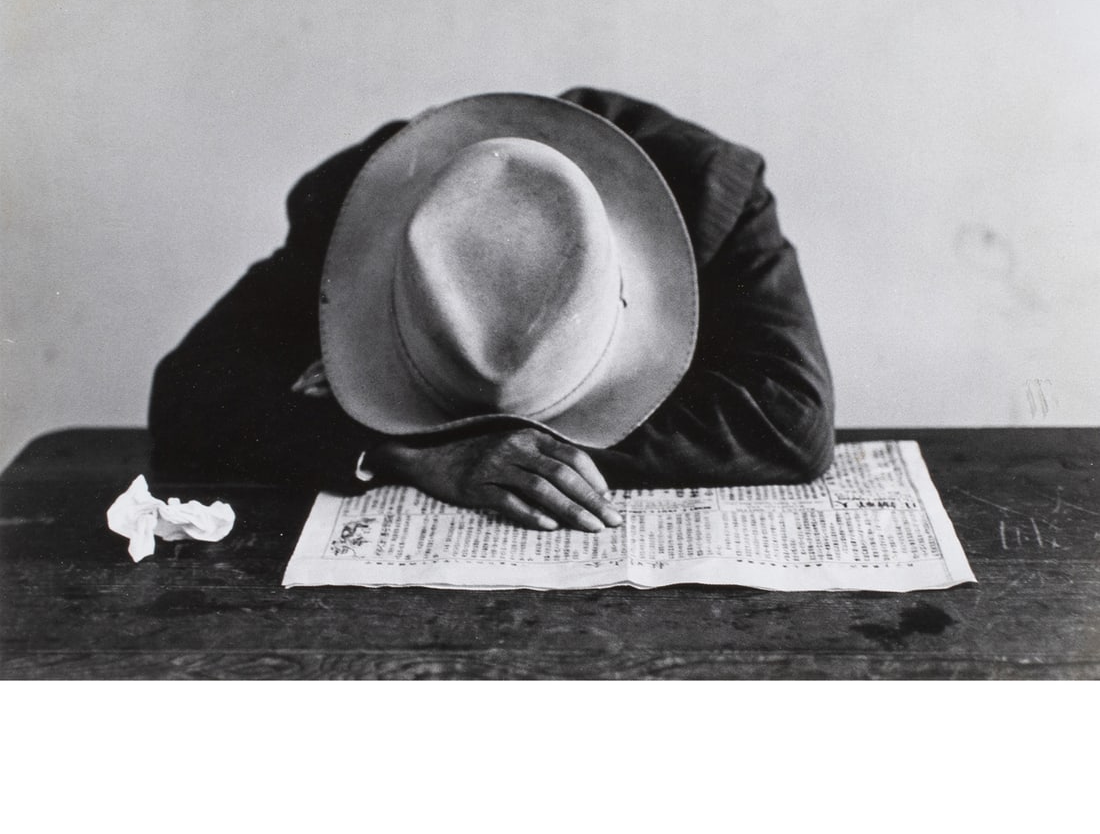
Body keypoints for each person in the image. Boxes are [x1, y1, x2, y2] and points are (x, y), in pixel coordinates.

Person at [150, 87, 834, 533]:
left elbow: (792, 422)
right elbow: (186, 394)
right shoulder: (366, 203)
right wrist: (416, 453)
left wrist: (530, 454)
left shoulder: (711, 191)